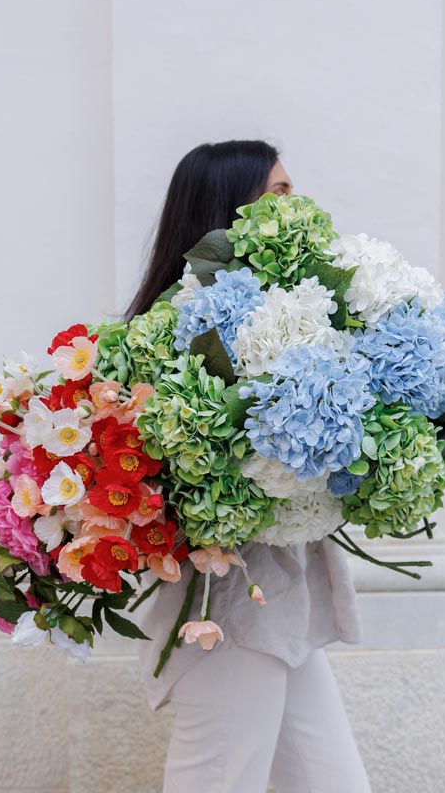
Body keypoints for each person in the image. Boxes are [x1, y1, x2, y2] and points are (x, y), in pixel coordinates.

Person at [130, 140, 372, 793]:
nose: (297, 203)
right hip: (228, 599)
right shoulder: (181, 331)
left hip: (282, 588)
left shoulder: (299, 312)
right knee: (218, 778)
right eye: (279, 192)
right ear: (230, 211)